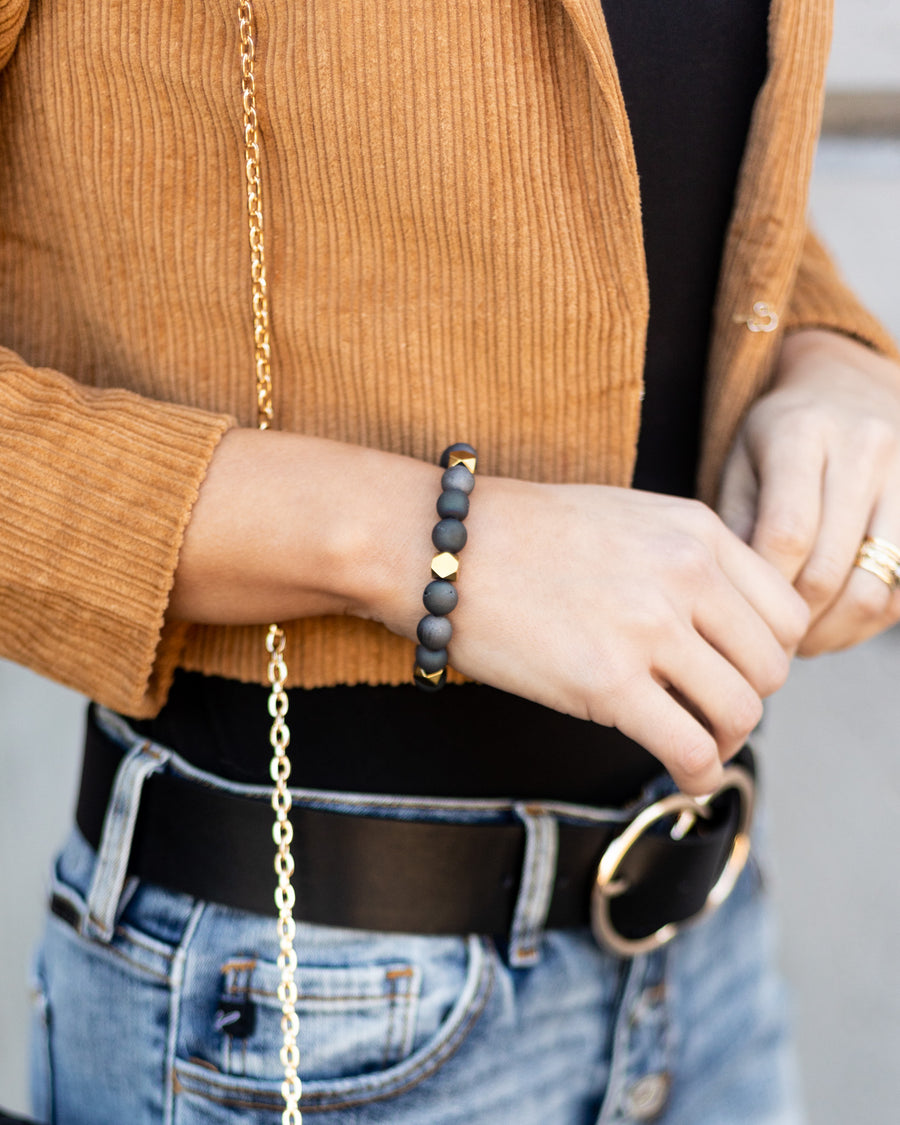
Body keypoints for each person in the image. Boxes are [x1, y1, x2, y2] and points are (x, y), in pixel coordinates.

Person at [2, 0, 899, 1122]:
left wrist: (830, 355)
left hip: (700, 949)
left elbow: (636, 128)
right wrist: (425, 546)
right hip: (307, 994)